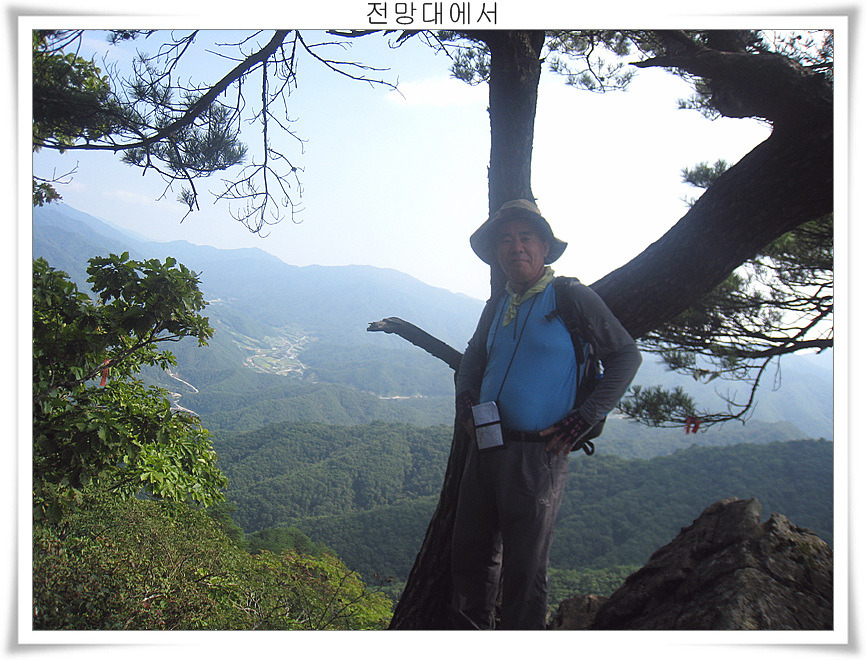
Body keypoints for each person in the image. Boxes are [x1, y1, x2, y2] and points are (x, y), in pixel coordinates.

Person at [451, 199, 642, 630]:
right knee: (470, 559)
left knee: (525, 569)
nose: (515, 247)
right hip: (485, 446)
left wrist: (584, 418)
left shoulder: (571, 297)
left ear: (543, 247)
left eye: (526, 238)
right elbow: (473, 357)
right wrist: (465, 402)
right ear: (497, 252)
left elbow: (626, 356)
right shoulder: (498, 303)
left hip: (537, 455)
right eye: (506, 239)